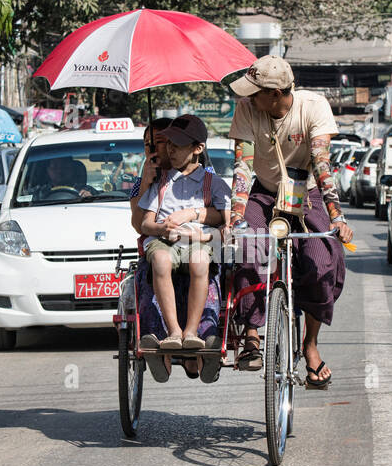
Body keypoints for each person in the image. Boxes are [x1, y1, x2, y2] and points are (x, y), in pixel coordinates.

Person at [227, 55, 354, 389]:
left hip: (305, 193)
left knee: (322, 261)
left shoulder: (314, 106)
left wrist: (337, 216)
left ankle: (309, 344)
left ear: (275, 93)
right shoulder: (247, 108)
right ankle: (253, 335)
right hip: (264, 192)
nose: (249, 97)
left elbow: (322, 163)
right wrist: (236, 216)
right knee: (248, 248)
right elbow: (243, 166)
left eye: (255, 92)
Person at [136, 115, 229, 370]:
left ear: (198, 148)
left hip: (198, 244)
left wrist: (195, 218)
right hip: (164, 244)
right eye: (166, 144)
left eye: (175, 144)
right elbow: (143, 222)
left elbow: (225, 217)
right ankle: (172, 335)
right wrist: (161, 227)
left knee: (201, 262)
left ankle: (193, 335)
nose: (168, 149)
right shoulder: (157, 181)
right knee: (159, 260)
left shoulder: (213, 183)